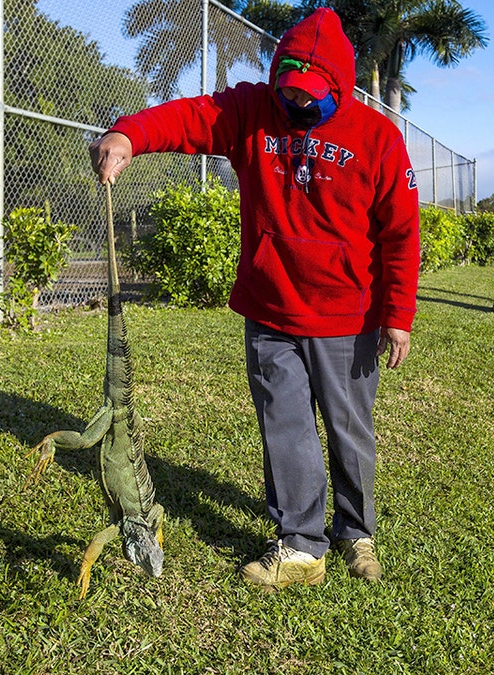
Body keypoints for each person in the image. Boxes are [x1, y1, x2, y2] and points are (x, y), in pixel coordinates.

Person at [88, 8, 419, 591]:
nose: (299, 106)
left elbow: (400, 232)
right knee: (284, 426)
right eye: (290, 93)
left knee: (348, 429)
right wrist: (129, 134)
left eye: (314, 96)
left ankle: (356, 530)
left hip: (349, 316)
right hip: (270, 310)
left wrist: (398, 315)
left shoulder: (378, 138)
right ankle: (300, 544)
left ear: (341, 85)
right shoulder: (251, 110)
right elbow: (191, 117)